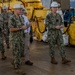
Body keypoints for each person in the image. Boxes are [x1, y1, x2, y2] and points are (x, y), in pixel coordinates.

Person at [9, 4, 31, 74]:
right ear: (15, 10)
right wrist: (21, 28)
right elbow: (11, 29)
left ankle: (16, 63)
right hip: (15, 39)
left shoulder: (20, 18)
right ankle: (17, 69)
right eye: (19, 9)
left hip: (21, 38)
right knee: (16, 53)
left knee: (20, 53)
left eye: (21, 9)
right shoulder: (11, 18)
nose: (21, 10)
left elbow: (23, 27)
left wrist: (27, 26)